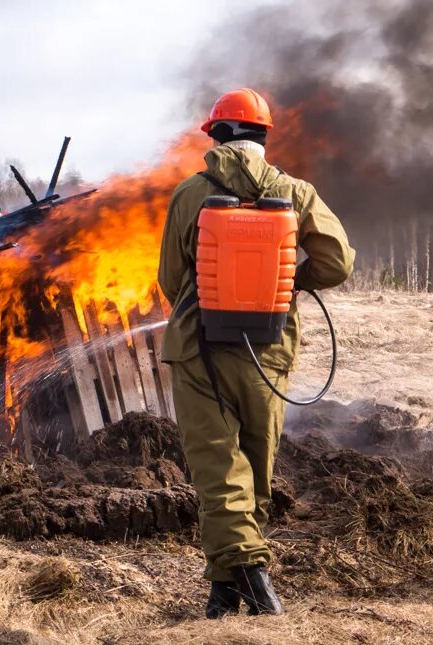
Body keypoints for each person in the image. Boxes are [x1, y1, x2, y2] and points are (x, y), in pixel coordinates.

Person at [158, 88, 355, 618]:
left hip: (198, 350)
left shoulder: (190, 193)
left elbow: (171, 279)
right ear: (264, 136)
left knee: (218, 467)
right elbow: (337, 263)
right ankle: (224, 592)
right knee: (255, 468)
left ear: (217, 135)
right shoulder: (296, 192)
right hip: (268, 348)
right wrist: (288, 277)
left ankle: (252, 577)